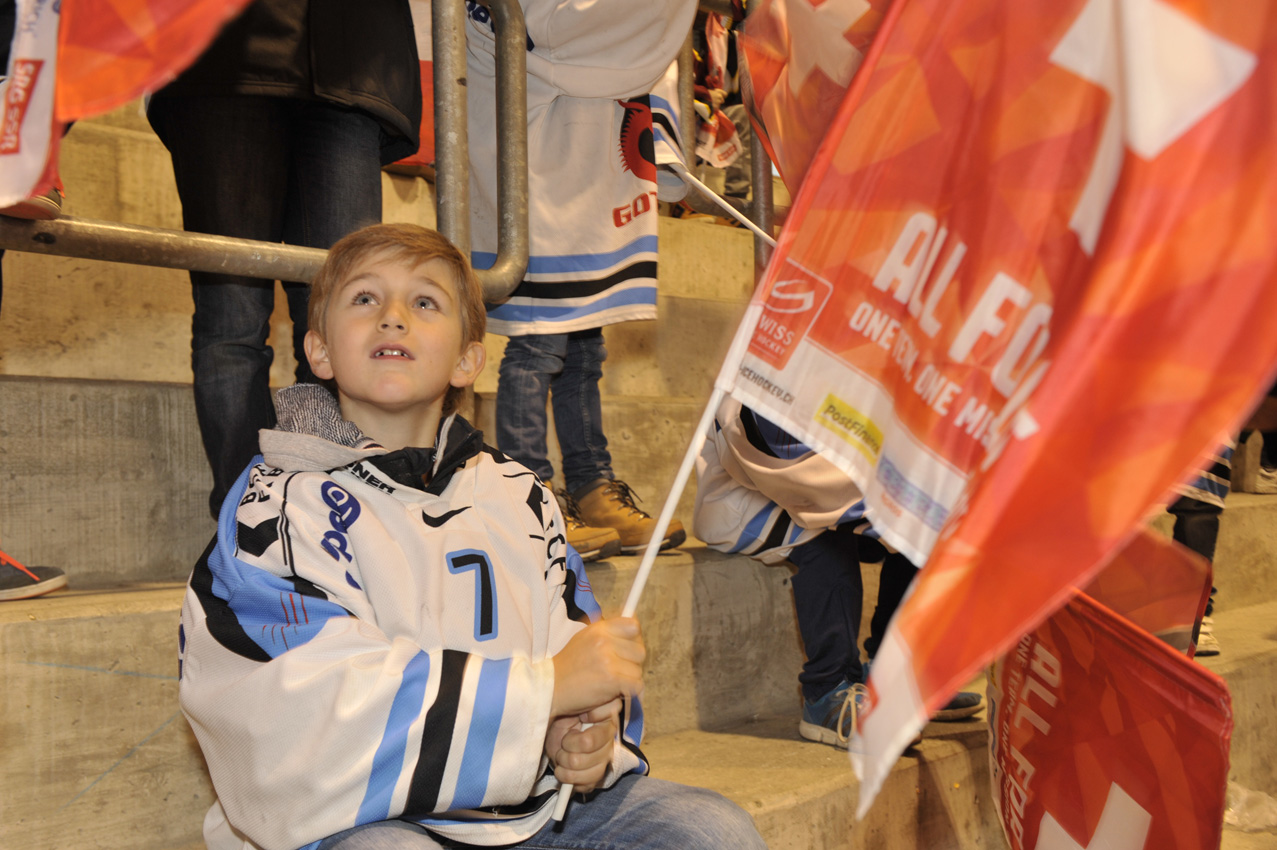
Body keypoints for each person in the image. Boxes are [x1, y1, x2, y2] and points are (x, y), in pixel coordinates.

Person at [177, 223, 766, 850]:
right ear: (319, 351)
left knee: (713, 831)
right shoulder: (276, 507)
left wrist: (580, 732)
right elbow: (303, 705)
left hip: (526, 810)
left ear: (467, 361)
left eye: (424, 302)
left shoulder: (522, 492)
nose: (393, 316)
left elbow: (569, 639)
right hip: (358, 821)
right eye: (365, 298)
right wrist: (542, 693)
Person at [146, 0, 421, 519]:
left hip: (354, 60)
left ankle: (335, 517)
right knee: (232, 320)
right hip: (223, 49)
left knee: (343, 322)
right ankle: (247, 520)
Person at [466, 0, 695, 560]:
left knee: (586, 344)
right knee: (538, 342)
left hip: (584, 153)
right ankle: (530, 496)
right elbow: (559, 27)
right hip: (534, 148)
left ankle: (592, 488)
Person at [695, 397, 980, 747]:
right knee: (829, 541)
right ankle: (827, 693)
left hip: (825, 494)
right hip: (747, 496)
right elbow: (773, 455)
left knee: (925, 531)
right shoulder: (766, 380)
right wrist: (886, 510)